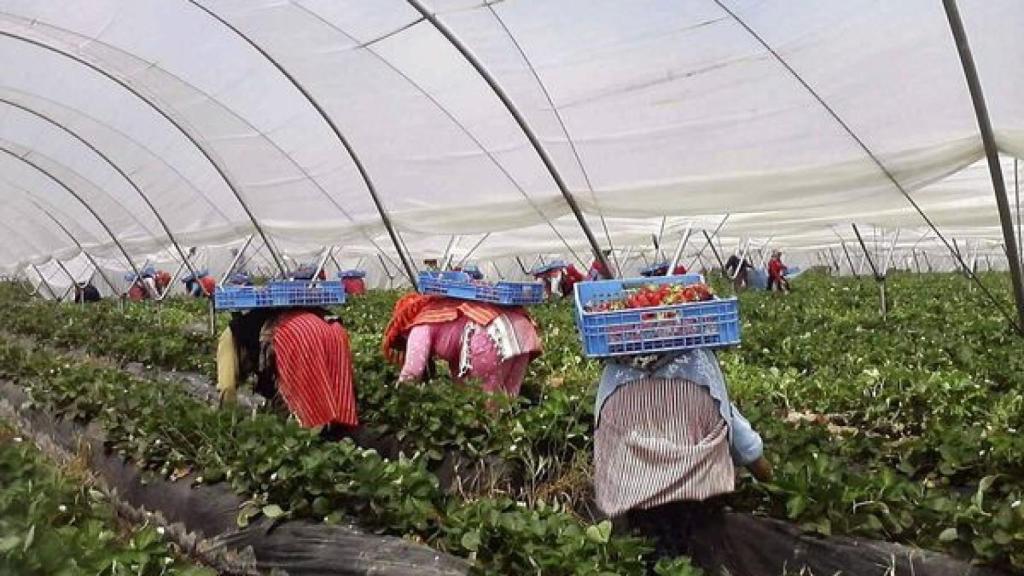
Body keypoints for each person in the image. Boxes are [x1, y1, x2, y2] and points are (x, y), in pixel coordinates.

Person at [593, 348, 772, 567]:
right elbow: (733, 425)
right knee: (701, 553)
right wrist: (765, 473)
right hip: (699, 499)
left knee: (647, 552)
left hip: (637, 497)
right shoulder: (698, 365)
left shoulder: (615, 376)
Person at [216, 307, 358, 435]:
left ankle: (311, 438)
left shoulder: (230, 335)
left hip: (298, 335)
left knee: (305, 406)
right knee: (333, 384)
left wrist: (228, 425)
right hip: (331, 328)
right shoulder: (269, 315)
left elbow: (227, 387)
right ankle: (339, 430)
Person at [382, 293, 541, 397]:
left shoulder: (419, 327)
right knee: (509, 397)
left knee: (487, 403)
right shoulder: (441, 307)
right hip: (521, 326)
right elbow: (457, 366)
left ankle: (487, 440)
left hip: (488, 330)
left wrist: (398, 398)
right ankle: (511, 439)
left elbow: (413, 370)